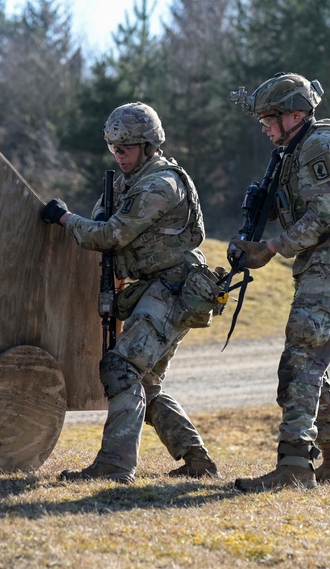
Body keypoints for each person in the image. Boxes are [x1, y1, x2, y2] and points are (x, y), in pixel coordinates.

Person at [40, 102, 220, 482]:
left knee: (121, 369)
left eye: (125, 148)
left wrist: (64, 218)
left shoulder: (160, 184)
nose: (118, 156)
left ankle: (114, 465)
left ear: (148, 146)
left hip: (176, 287)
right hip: (158, 287)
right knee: (145, 384)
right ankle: (197, 461)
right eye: (113, 149)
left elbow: (110, 235)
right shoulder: (127, 182)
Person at [228, 72, 330, 491]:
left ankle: (295, 464)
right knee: (309, 358)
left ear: (296, 113)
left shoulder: (319, 145)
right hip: (324, 259)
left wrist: (270, 248)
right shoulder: (292, 151)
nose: (263, 127)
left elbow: (323, 217)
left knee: (301, 353)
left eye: (269, 118)